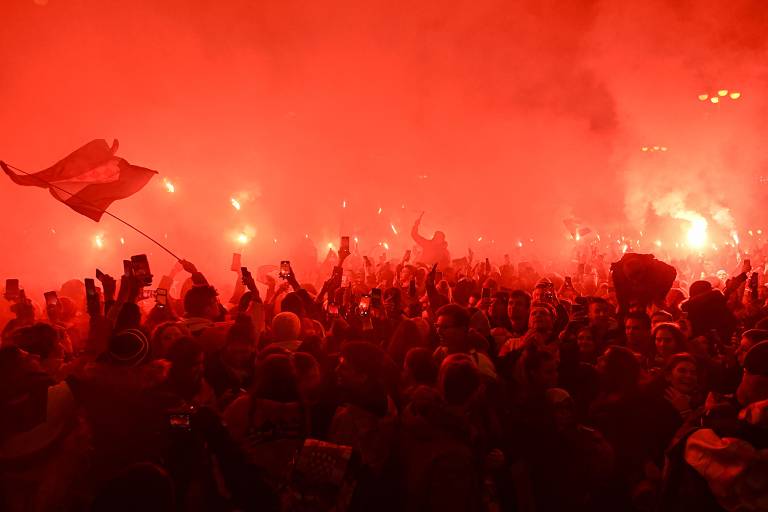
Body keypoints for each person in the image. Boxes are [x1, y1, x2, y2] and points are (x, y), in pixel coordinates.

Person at [433, 304, 497, 380]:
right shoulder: (440, 353)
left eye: (445, 327)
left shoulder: (478, 360)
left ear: (462, 329)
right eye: (437, 326)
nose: (438, 331)